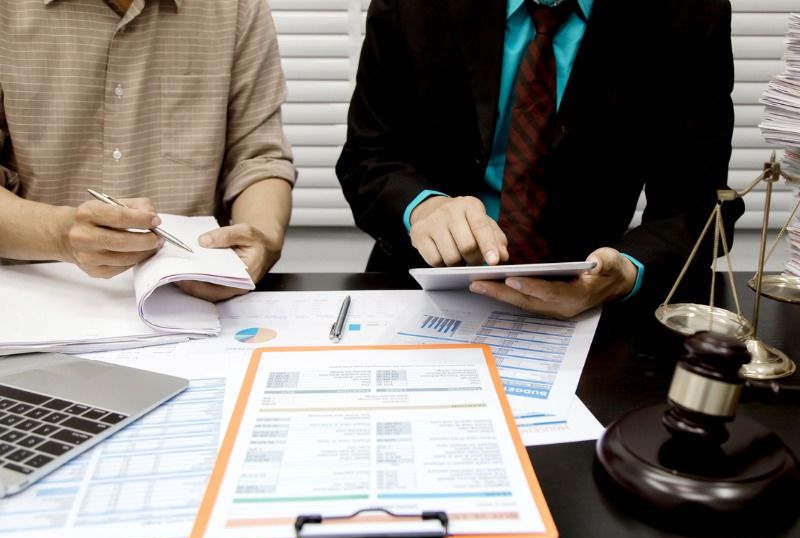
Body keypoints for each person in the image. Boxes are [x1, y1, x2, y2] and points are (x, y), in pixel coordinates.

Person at [336, 0, 744, 318]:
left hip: (588, 300)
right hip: (419, 286)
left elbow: (697, 202)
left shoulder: (689, 12)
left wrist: (628, 271)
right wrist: (423, 207)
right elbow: (367, 155)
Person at [0, 0, 295, 302]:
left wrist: (262, 239)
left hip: (191, 300)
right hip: (34, 297)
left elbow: (258, 158)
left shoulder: (235, 7)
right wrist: (60, 236)